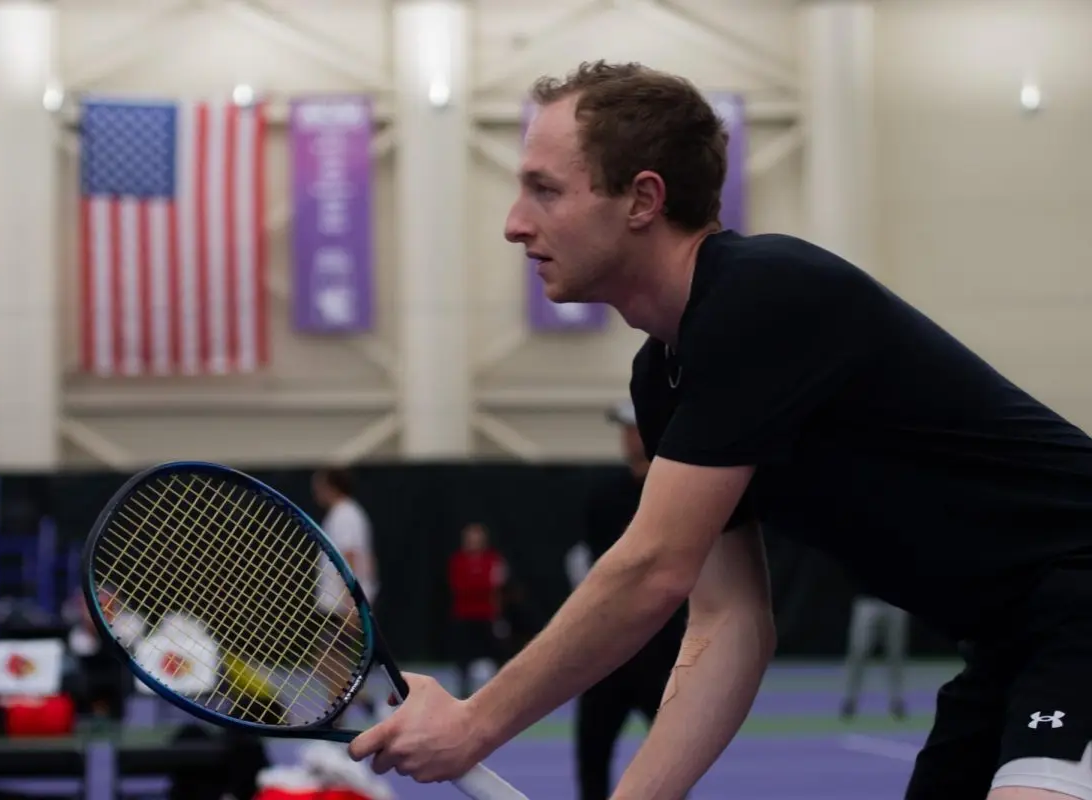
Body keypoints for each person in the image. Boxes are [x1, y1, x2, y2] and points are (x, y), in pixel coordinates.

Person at [347, 61, 1092, 800]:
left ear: (642, 198)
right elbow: (728, 621)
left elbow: (651, 569)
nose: (515, 223)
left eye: (544, 189)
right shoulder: (661, 377)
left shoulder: (760, 296)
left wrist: (476, 723)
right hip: (1012, 644)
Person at [572, 400, 685, 799]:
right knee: (591, 756)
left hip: (663, 655)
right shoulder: (603, 498)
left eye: (633, 428)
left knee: (673, 764)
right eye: (623, 429)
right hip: (607, 656)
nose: (627, 438)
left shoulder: (683, 494)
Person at [311, 467, 380, 724]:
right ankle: (350, 713)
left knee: (326, 663)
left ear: (331, 486)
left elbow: (350, 558)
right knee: (333, 664)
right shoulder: (346, 514)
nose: (315, 490)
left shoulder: (345, 515)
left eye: (319, 485)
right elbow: (368, 558)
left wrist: (353, 604)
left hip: (343, 607)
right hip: (340, 605)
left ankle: (345, 716)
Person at [446, 522, 507, 699]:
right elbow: (459, 586)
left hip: (486, 616)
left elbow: (494, 587)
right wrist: (480, 584)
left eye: (477, 538)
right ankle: (463, 692)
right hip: (464, 616)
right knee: (463, 658)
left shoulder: (493, 560)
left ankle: (501, 689)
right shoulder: (457, 561)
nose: (474, 541)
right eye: (470, 538)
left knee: (497, 655)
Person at [840, 593, 910, 721]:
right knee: (859, 650)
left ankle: (897, 700)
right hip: (867, 600)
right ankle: (850, 699)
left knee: (896, 653)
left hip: (896, 602)